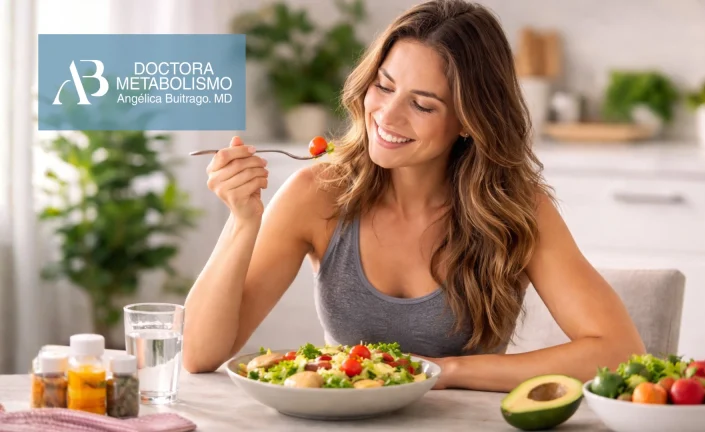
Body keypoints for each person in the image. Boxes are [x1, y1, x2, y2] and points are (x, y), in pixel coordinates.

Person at [182, 0, 645, 392]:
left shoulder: (514, 208)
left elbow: (619, 352)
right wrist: (243, 221)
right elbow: (200, 355)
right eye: (384, 85)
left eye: (422, 104)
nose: (387, 115)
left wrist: (445, 371)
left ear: (469, 121)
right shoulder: (317, 194)